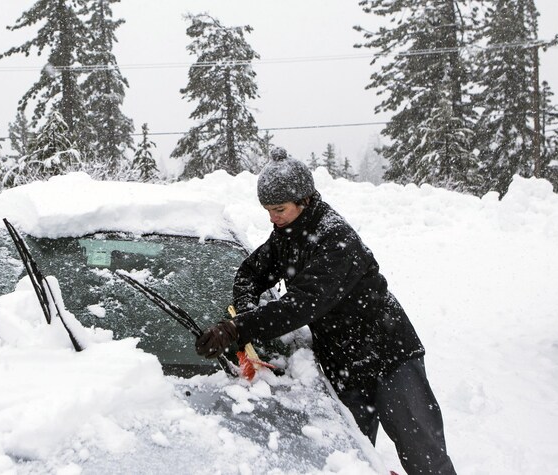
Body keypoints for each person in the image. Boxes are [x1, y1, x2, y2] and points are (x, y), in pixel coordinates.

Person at [195, 147, 456, 475]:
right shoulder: (287, 234)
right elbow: (251, 273)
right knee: (348, 459)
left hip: (389, 354)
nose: (272, 219)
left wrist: (237, 330)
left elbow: (299, 306)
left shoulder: (335, 240)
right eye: (267, 211)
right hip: (341, 360)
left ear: (304, 201)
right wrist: (244, 309)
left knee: (424, 456)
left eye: (279, 210)